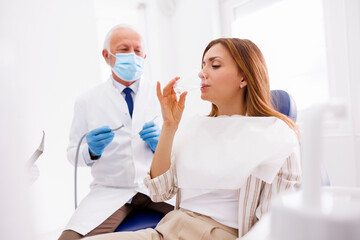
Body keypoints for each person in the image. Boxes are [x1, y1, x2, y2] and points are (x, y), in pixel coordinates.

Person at [83, 38, 301, 240]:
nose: (202, 73)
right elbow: (160, 192)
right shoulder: (196, 127)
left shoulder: (276, 136)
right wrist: (169, 126)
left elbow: (273, 225)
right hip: (166, 230)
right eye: (203, 65)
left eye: (214, 65)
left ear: (244, 77)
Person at [58, 25, 174, 240]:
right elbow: (72, 155)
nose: (132, 55)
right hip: (110, 191)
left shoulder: (163, 96)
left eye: (137, 50)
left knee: (203, 223)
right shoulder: (87, 101)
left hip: (158, 189)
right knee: (69, 239)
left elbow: (181, 150)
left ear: (144, 55)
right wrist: (91, 151)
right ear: (106, 56)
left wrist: (163, 144)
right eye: (123, 49)